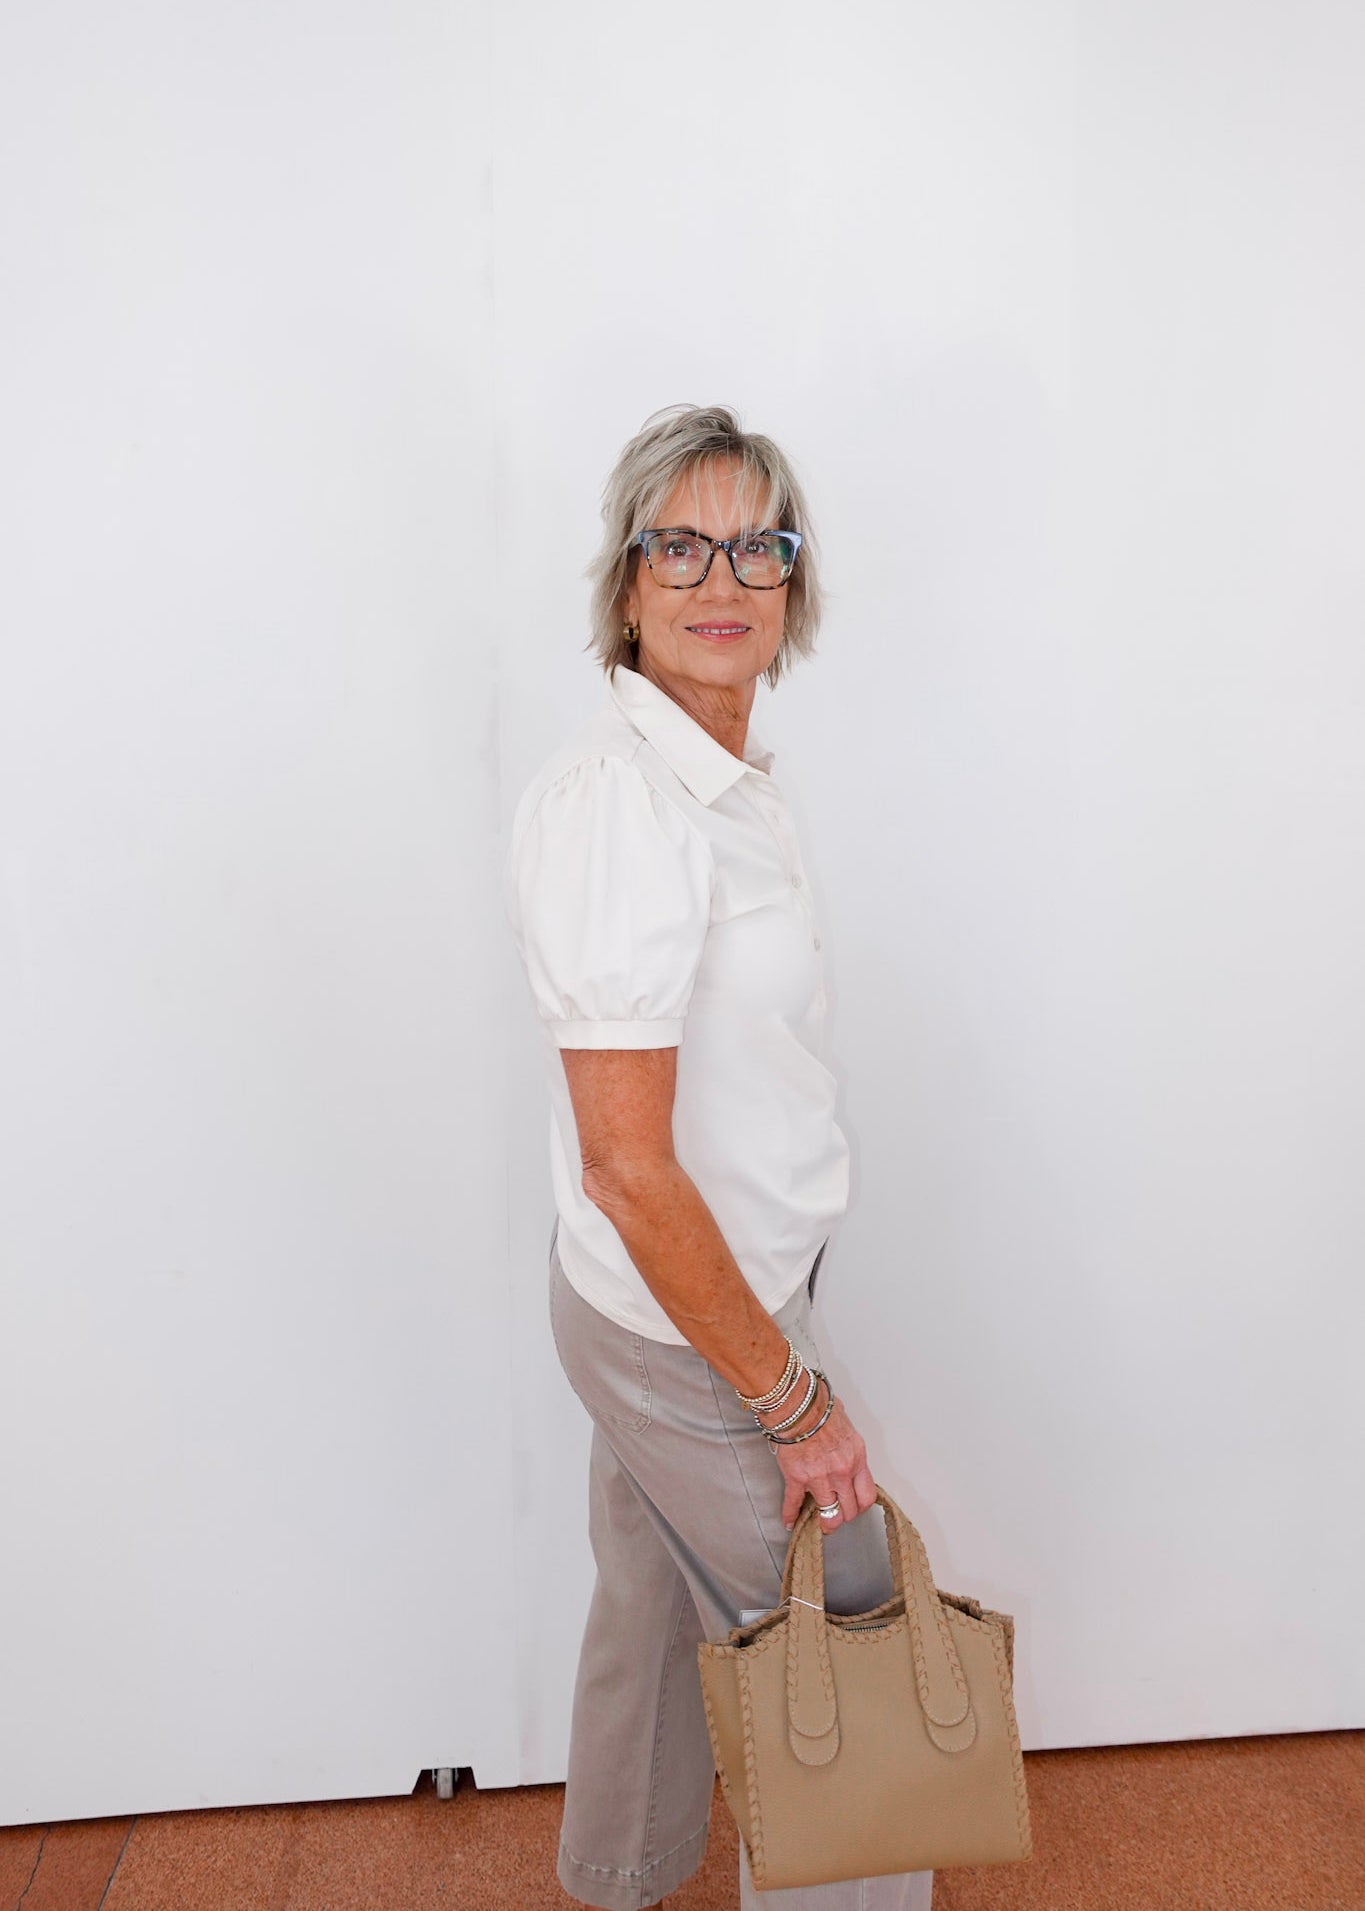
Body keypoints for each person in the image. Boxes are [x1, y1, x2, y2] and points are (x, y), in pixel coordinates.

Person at [503, 404, 933, 1911]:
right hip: (681, 1318)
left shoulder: (729, 780)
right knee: (826, 1628)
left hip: (717, 1281)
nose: (719, 575)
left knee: (647, 1604)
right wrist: (792, 1400)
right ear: (625, 584)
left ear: (793, 583)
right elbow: (629, 1166)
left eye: (757, 542)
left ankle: (614, 1878)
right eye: (678, 543)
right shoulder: (625, 807)